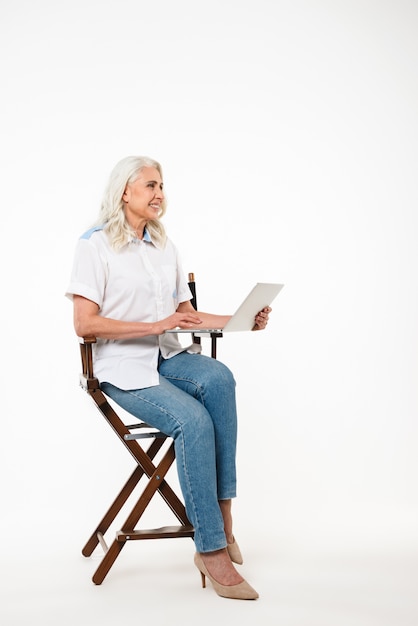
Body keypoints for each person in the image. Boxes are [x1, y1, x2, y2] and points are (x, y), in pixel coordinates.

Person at [66, 155, 271, 600]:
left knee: (219, 378)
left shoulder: (164, 246)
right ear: (125, 191)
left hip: (165, 358)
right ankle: (211, 548)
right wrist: (149, 327)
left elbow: (184, 317)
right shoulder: (95, 245)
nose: (160, 194)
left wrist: (241, 318)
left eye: (162, 186)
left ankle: (222, 514)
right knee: (192, 421)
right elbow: (84, 324)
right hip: (121, 369)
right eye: (150, 186)